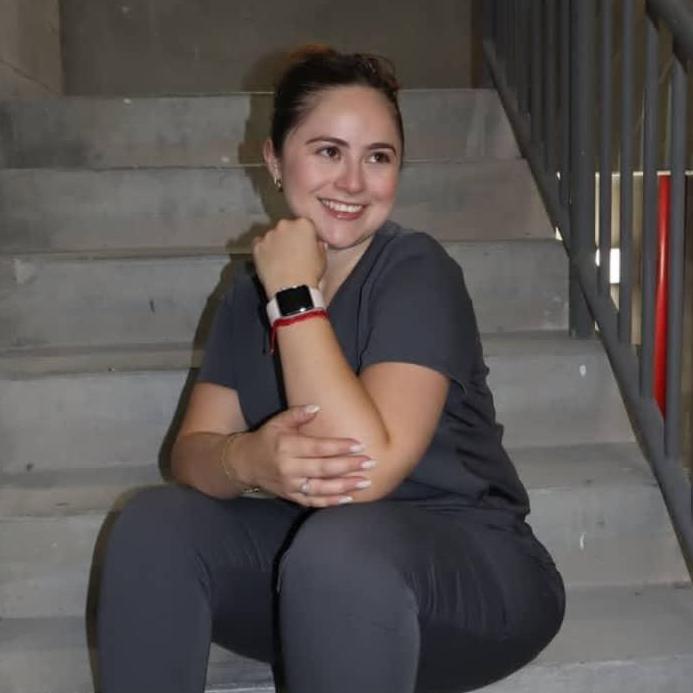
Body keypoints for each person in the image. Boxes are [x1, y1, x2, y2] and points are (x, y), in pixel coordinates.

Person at [97, 46, 565, 693]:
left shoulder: (416, 271)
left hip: (470, 577)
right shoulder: (246, 292)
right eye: (328, 151)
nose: (352, 181)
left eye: (378, 157)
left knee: (338, 550)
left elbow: (362, 472)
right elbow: (191, 453)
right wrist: (247, 459)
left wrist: (295, 298)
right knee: (155, 525)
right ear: (273, 160)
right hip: (317, 578)